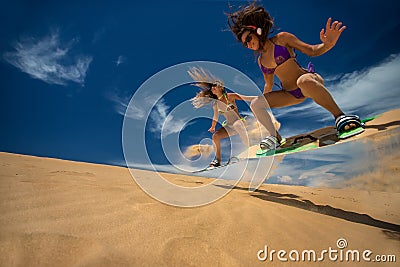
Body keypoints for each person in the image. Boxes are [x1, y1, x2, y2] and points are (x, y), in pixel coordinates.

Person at [226, 2, 364, 152]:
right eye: (244, 43)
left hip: (309, 81)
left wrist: (327, 45)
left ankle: (340, 117)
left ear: (257, 31)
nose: (247, 44)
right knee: (255, 104)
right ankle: (275, 138)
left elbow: (311, 50)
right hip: (291, 94)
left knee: (303, 81)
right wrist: (254, 102)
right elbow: (268, 86)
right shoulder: (261, 61)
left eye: (248, 39)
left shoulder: (282, 39)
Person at [188, 67, 256, 167]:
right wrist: (213, 126)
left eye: (215, 86)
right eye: (212, 87)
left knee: (237, 124)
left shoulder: (230, 96)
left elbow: (246, 98)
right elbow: (215, 117)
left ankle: (251, 147)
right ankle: (218, 161)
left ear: (221, 87)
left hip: (240, 123)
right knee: (215, 136)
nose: (213, 88)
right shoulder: (216, 104)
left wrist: (260, 99)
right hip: (229, 126)